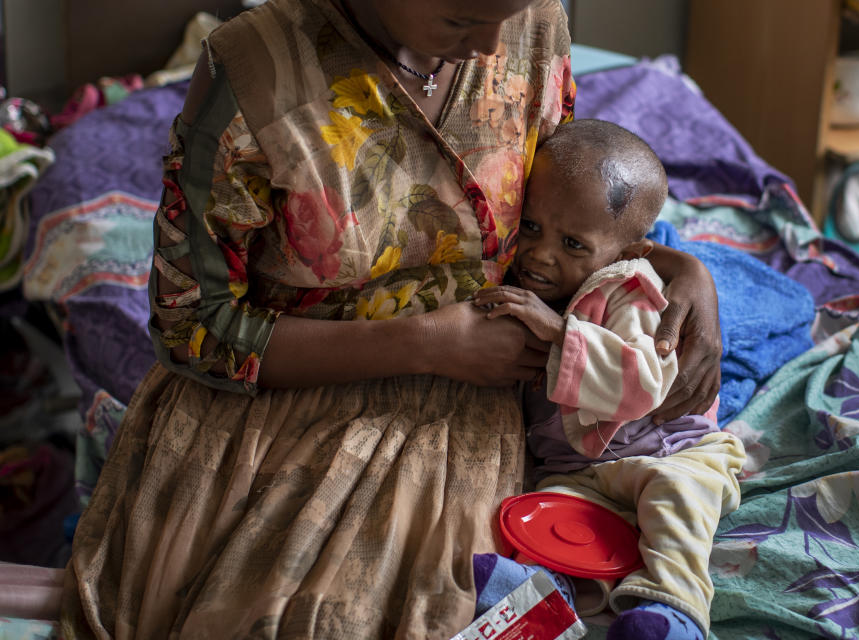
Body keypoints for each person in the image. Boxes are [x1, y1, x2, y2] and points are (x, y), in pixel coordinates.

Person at [60, 1, 724, 638]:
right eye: (462, 16)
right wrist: (421, 345)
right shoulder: (254, 73)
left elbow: (562, 203)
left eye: (510, 14)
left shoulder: (534, 25)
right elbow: (190, 328)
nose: (494, 47)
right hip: (278, 399)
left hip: (470, 399)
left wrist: (678, 267)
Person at [471, 120, 745, 640]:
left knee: (675, 502)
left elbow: (642, 385)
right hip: (583, 470)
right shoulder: (524, 284)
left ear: (626, 253)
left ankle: (674, 613)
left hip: (669, 451)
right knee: (550, 518)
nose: (542, 254)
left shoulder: (628, 291)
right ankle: (537, 594)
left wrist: (558, 333)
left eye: (573, 242)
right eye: (530, 227)